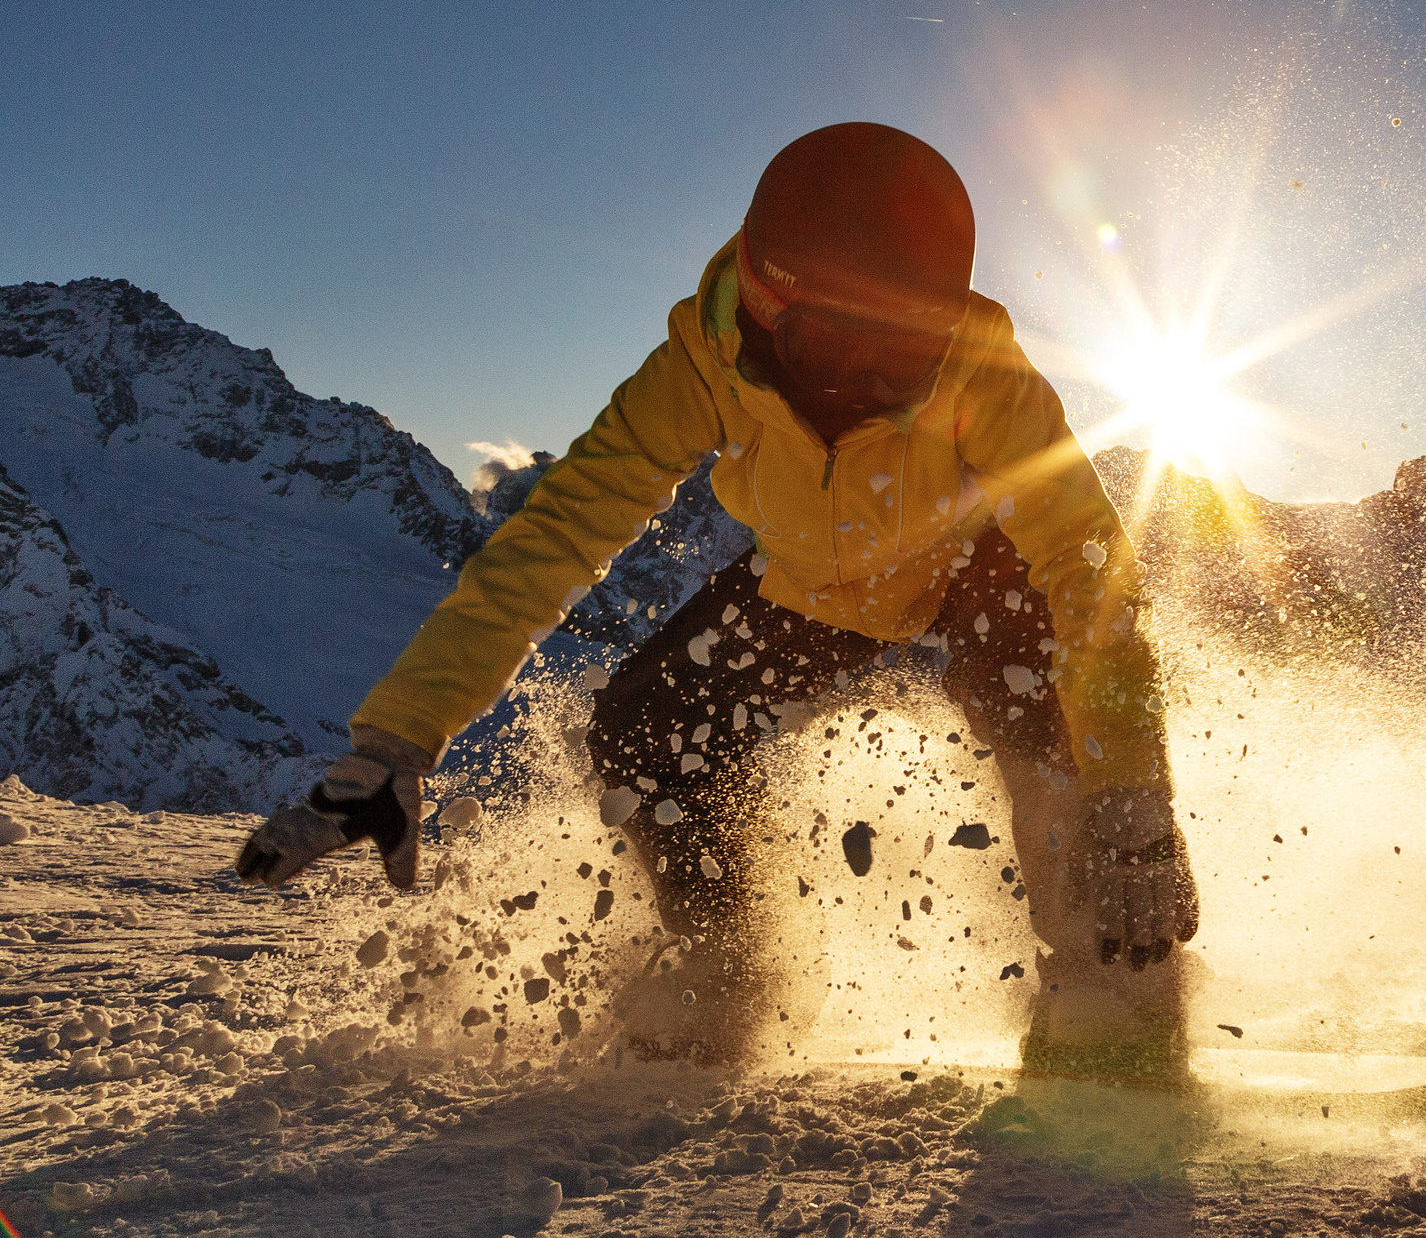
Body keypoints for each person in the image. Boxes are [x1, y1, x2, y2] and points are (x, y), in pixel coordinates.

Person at [236, 123, 1201, 1083]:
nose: (876, 392)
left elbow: (1084, 568)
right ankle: (733, 969)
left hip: (973, 568)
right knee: (642, 732)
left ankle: (1110, 983)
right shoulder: (704, 360)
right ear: (773, 307)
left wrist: (1132, 788)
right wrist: (396, 743)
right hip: (818, 590)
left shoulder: (978, 369)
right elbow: (555, 538)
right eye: (845, 351)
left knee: (1064, 718)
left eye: (907, 358)